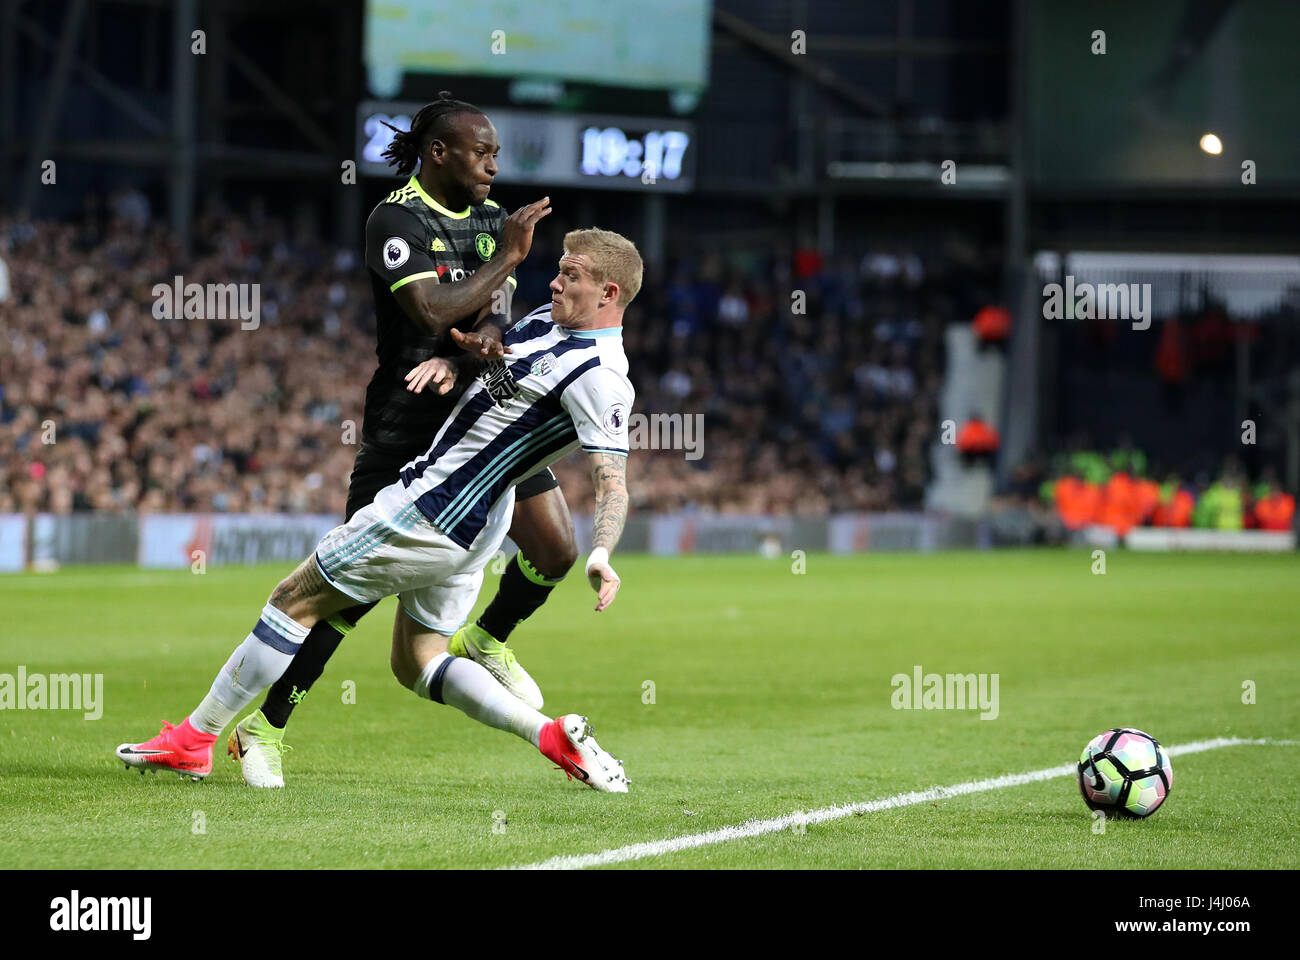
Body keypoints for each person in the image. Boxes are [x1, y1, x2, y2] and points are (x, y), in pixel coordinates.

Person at [116, 228, 643, 792]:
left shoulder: (602, 378)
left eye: (573, 276)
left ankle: (196, 739)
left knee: (293, 601)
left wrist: (603, 552)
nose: (557, 281)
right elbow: (498, 361)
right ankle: (550, 736)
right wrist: (456, 362)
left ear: (609, 293)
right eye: (560, 269)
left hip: (427, 513)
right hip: (476, 528)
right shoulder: (547, 322)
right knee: (417, 662)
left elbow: (612, 482)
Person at [229, 93, 582, 787]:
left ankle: (486, 638)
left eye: (497, 154)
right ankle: (265, 726)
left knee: (556, 546)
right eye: (481, 153)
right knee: (346, 595)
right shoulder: (396, 217)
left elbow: (490, 320)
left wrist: (474, 344)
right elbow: (429, 309)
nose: (493, 165)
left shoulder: (487, 220)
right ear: (440, 153)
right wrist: (509, 258)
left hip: (480, 413)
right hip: (406, 421)